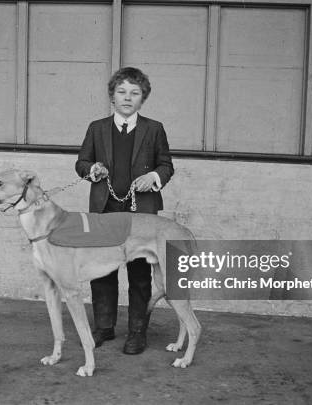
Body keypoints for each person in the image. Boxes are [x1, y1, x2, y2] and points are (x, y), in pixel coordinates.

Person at [75, 67, 174, 355]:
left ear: (143, 99)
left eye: (135, 93)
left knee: (140, 274)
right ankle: (104, 327)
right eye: (122, 92)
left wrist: (154, 178)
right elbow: (82, 162)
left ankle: (137, 332)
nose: (127, 98)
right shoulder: (97, 128)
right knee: (102, 270)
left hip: (140, 211)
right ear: (112, 96)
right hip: (104, 209)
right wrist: (91, 169)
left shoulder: (154, 129)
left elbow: (166, 165)